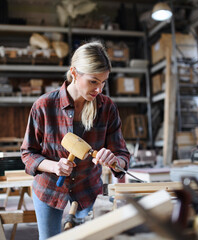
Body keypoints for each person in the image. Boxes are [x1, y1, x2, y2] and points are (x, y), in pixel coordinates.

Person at [20, 41, 130, 240]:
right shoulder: (44, 106)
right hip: (49, 188)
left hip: (88, 189)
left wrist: (113, 159)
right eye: (93, 81)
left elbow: (122, 156)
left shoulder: (107, 108)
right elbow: (28, 154)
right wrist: (54, 167)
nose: (99, 90)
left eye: (104, 82)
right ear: (74, 73)